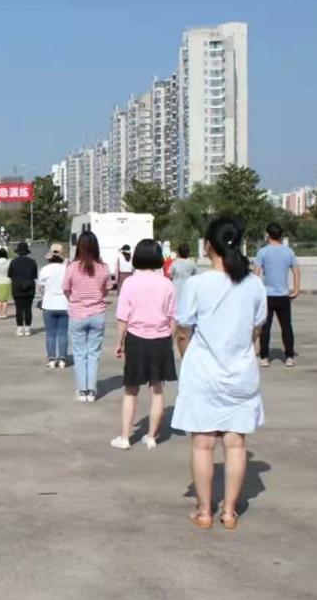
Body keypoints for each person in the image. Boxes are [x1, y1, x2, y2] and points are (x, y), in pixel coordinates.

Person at [172, 217, 267, 530]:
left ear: (208, 245)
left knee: (203, 443)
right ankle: (229, 512)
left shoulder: (197, 284)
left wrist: (187, 357)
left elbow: (183, 329)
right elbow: (257, 327)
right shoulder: (253, 284)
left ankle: (204, 512)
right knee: (235, 443)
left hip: (204, 371)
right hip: (241, 371)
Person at [113, 239, 177, 451]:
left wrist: (119, 342)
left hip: (136, 339)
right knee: (157, 390)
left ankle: (125, 437)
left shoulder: (130, 283)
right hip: (161, 339)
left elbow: (123, 317)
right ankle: (151, 437)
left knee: (131, 390)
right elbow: (173, 317)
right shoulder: (167, 284)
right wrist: (169, 340)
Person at [63, 231, 110, 402]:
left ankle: (82, 390)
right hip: (97, 314)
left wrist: (75, 300)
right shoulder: (103, 267)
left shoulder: (72, 267)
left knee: (79, 353)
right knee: (93, 354)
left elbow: (66, 289)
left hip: (77, 314)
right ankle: (91, 390)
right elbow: (106, 289)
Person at [254, 223, 300, 367]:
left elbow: (256, 274)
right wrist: (296, 289)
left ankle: (264, 357)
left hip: (267, 295)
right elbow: (296, 271)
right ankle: (289, 356)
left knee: (265, 327)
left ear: (268, 235)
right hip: (284, 295)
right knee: (286, 326)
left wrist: (255, 292)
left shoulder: (263, 252)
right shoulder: (289, 251)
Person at [39, 244, 69, 368]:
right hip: (64, 303)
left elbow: (41, 287)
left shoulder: (45, 269)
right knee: (63, 333)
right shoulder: (67, 269)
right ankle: (62, 359)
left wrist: (45, 294)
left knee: (50, 333)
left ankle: (51, 359)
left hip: (49, 303)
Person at [169, 243, 199, 355]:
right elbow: (196, 276)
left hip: (176, 289)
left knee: (174, 315)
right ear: (188, 252)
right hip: (187, 291)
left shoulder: (175, 263)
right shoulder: (192, 264)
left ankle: (171, 341)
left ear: (178, 252)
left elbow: (169, 274)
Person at [9, 242, 38, 336]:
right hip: (30, 287)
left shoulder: (13, 262)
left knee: (19, 308)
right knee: (28, 308)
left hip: (17, 287)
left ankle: (20, 328)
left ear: (18, 252)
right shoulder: (32, 262)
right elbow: (35, 276)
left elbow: (10, 275)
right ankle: (28, 328)